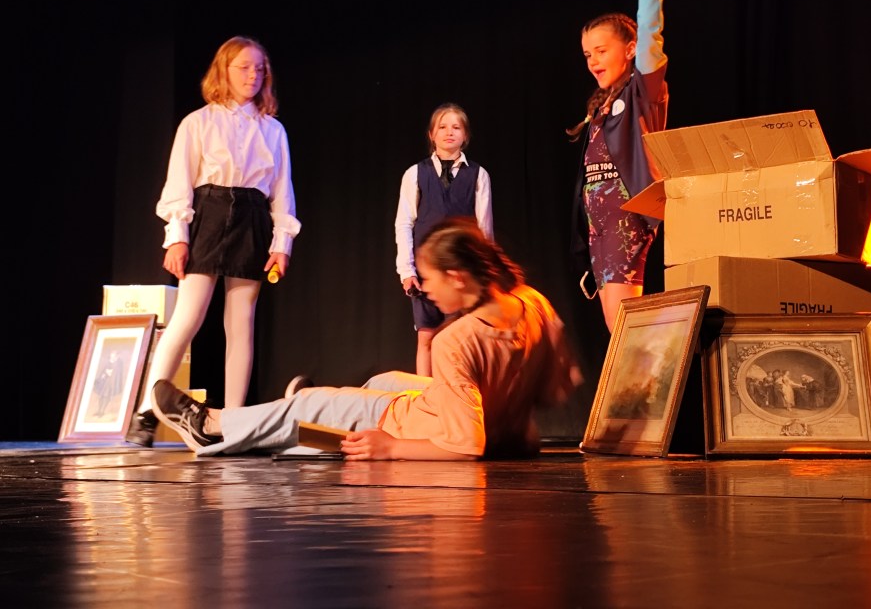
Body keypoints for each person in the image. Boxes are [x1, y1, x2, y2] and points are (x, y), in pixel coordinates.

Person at [150, 217, 581, 460]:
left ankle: (213, 428)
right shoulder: (532, 303)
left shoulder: (455, 340)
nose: (426, 289)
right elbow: (557, 388)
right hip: (492, 422)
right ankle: (311, 414)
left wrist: (392, 448)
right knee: (384, 380)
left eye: (429, 279)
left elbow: (467, 445)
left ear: (456, 276)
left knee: (308, 406)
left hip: (417, 427)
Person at [126, 35, 301, 447]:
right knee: (188, 316)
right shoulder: (198, 122)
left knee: (241, 322)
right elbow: (179, 185)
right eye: (244, 67)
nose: (253, 75)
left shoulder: (273, 130)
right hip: (209, 213)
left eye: (260, 69)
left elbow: (282, 192)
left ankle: (234, 420)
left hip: (252, 217)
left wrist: (281, 244)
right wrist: (177, 238)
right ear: (224, 70)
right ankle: (148, 412)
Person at [567, 0, 669, 333]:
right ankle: (638, 373)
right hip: (600, 222)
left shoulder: (642, 92)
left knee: (625, 322)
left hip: (627, 216)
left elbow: (650, 29)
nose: (593, 61)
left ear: (630, 50)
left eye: (602, 51)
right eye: (587, 54)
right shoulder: (601, 104)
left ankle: (647, 374)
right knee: (618, 323)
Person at [395, 103, 493, 376]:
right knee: (427, 338)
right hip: (426, 272)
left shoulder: (478, 175)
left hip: (462, 271)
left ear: (466, 135)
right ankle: (427, 397)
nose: (449, 132)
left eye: (456, 127)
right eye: (442, 127)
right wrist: (407, 271)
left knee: (459, 340)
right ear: (431, 134)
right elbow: (404, 223)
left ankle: (458, 395)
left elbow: (485, 230)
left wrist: (483, 274)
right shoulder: (415, 174)